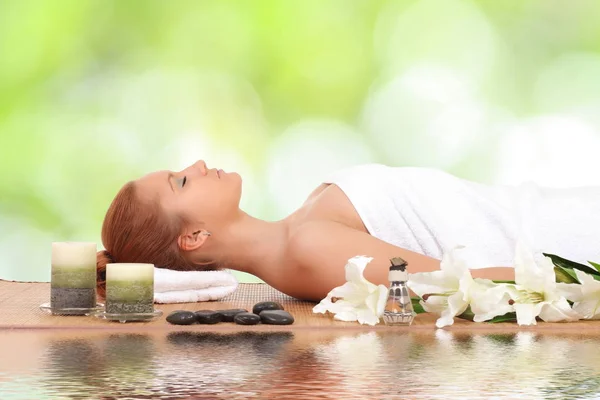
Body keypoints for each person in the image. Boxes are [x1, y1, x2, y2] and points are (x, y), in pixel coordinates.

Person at [97, 160, 600, 301]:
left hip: (560, 212)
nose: (199, 163)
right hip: (572, 242)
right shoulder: (308, 251)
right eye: (181, 181)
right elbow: (463, 286)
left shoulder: (303, 228)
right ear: (194, 238)